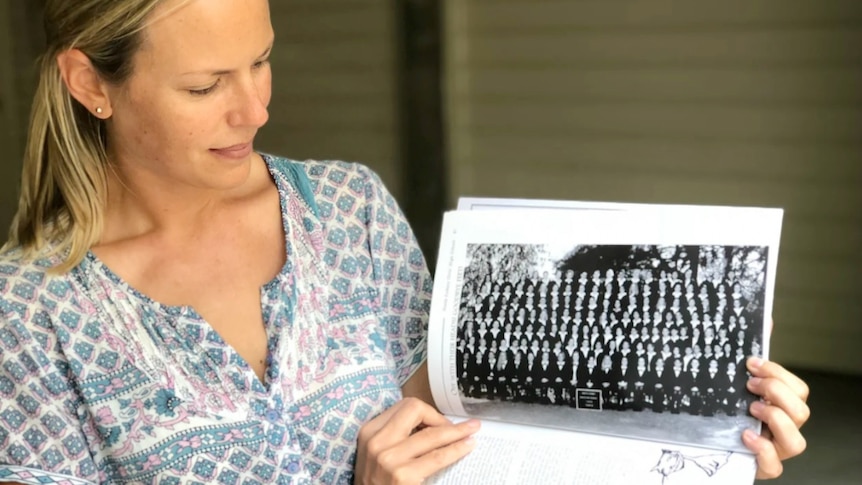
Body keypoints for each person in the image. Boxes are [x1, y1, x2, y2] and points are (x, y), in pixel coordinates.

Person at [0, 0, 808, 483]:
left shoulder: (349, 207)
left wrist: (708, 436)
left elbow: (463, 417)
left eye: (262, 61)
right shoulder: (31, 309)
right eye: (206, 86)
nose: (256, 109)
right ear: (89, 82)